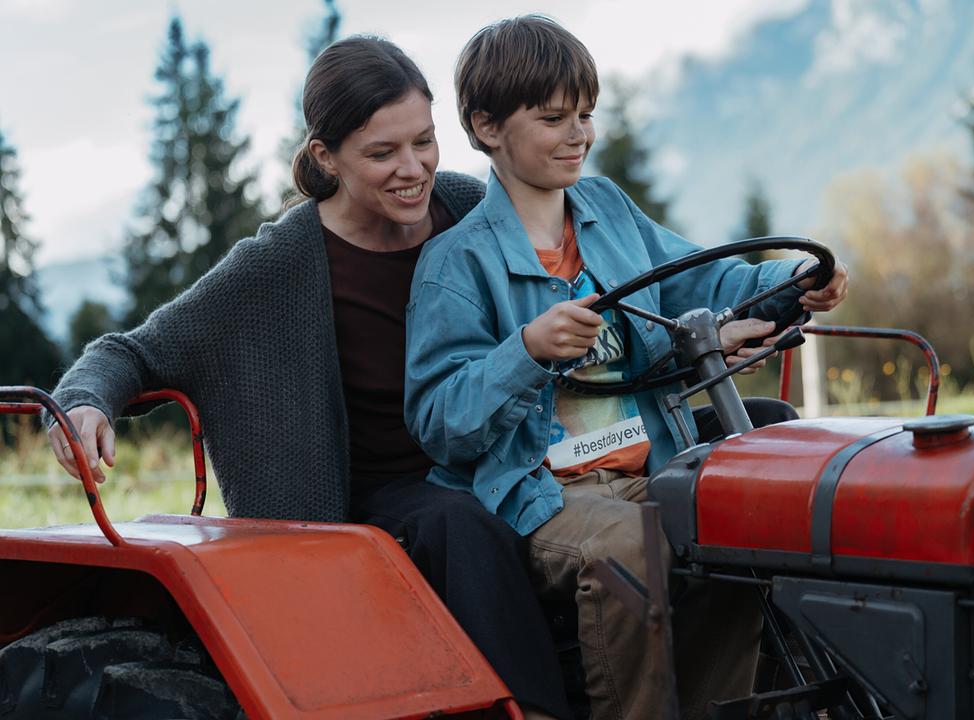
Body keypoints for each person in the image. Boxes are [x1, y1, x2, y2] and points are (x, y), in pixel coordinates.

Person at [46, 36, 569, 720]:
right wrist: (84, 403)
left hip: (498, 453)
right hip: (378, 494)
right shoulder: (278, 264)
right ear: (326, 156)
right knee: (457, 524)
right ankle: (534, 711)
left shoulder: (471, 207)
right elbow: (134, 351)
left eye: (424, 141)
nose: (413, 170)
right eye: (382, 154)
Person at [403, 16, 849, 720]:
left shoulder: (607, 210)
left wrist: (789, 282)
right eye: (553, 118)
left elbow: (696, 281)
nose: (578, 133)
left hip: (653, 467)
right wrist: (524, 352)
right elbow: (439, 420)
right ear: (487, 126)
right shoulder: (456, 265)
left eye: (585, 114)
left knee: (735, 518)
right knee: (626, 546)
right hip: (544, 496)